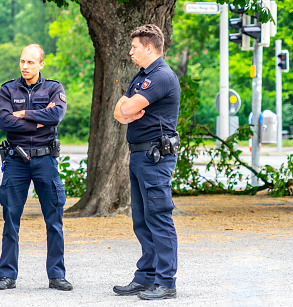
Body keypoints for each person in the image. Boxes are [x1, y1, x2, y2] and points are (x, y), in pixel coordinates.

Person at [0, 44, 71, 291]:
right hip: (16, 160)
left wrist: (23, 114)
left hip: (45, 159)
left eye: (30, 62)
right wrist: (37, 119)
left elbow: (56, 116)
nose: (25, 66)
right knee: (10, 219)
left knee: (54, 219)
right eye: (22, 61)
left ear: (41, 64)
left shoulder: (53, 88)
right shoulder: (8, 89)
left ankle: (57, 275)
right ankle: (7, 275)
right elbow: (4, 121)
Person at [113, 24, 180, 300]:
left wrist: (128, 107)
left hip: (155, 157)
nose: (130, 52)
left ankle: (166, 282)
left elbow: (126, 108)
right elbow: (119, 113)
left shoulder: (161, 76)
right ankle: (146, 277)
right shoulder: (142, 76)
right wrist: (126, 108)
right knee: (141, 220)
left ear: (149, 48)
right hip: (139, 155)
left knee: (159, 218)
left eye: (135, 47)